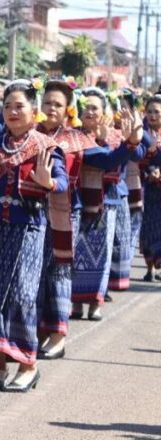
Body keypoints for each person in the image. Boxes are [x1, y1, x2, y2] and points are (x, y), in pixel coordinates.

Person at [0, 80, 68, 393]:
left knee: (22, 296)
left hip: (28, 227)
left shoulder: (46, 146)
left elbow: (62, 182)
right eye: (8, 106)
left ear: (34, 110)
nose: (12, 112)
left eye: (19, 106)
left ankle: (28, 365)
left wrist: (48, 182)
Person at [35, 78, 98, 361]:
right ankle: (38, 331)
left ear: (68, 109)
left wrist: (132, 142)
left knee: (58, 272)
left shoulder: (76, 139)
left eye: (58, 104)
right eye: (47, 102)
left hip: (64, 213)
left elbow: (107, 159)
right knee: (34, 274)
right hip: (32, 214)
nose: (51, 108)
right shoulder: (29, 134)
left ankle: (58, 335)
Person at [71, 88, 143, 321]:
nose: (90, 112)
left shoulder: (115, 135)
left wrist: (132, 135)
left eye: (95, 108)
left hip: (107, 202)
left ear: (104, 112)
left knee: (101, 255)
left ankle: (95, 303)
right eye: (86, 107)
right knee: (76, 254)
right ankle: (75, 302)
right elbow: (104, 159)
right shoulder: (73, 136)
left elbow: (137, 154)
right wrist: (106, 141)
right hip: (77, 201)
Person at [109, 89, 142, 292]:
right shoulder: (98, 131)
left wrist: (132, 137)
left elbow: (139, 154)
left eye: (124, 108)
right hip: (93, 194)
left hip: (119, 191)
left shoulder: (135, 132)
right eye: (116, 108)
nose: (119, 112)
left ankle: (110, 283)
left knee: (120, 239)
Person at [139, 94, 161, 282]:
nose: (153, 115)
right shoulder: (140, 134)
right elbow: (134, 160)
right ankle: (150, 268)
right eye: (150, 112)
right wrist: (147, 172)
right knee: (148, 228)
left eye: (157, 112)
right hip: (148, 189)